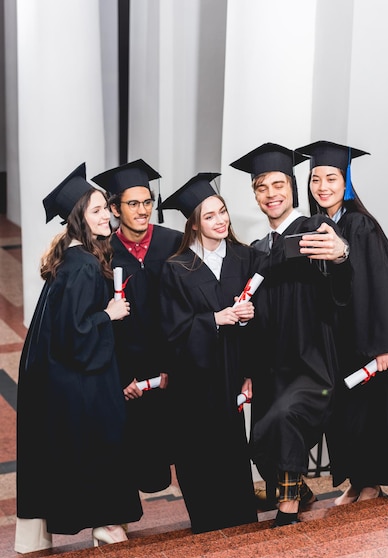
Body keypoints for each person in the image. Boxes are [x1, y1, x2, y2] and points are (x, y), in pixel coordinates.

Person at [15, 163, 143, 553]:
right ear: (79, 219)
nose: (108, 215)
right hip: (80, 380)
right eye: (97, 210)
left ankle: (101, 520)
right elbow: (78, 334)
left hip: (58, 376)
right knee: (101, 441)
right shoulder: (85, 265)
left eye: (106, 208)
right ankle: (103, 523)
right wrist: (110, 314)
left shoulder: (69, 259)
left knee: (80, 448)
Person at [230, 142, 352, 526]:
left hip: (311, 359)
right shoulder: (255, 250)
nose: (271, 194)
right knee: (260, 442)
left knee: (283, 420)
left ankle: (287, 511)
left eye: (278, 184)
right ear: (254, 194)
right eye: (262, 187)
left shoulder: (314, 228)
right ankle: (298, 489)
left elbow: (338, 266)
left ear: (292, 187)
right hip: (271, 365)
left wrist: (341, 252)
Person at [296, 139, 388, 504]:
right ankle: (356, 479)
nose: (323, 187)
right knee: (347, 412)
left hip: (368, 339)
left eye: (331, 178)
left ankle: (370, 483)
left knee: (370, 412)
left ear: (345, 182)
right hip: (340, 341)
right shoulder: (320, 225)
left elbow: (379, 284)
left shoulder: (358, 224)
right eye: (316, 179)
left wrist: (382, 345)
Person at [158, 172, 264, 533]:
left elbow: (263, 317)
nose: (221, 221)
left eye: (222, 211)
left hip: (232, 374)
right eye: (210, 216)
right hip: (195, 383)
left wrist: (250, 318)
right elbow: (171, 332)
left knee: (233, 455)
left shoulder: (245, 257)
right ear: (194, 225)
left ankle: (240, 525)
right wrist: (215, 319)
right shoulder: (177, 268)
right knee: (199, 456)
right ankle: (206, 526)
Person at [91, 160, 183, 493]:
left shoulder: (175, 243)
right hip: (129, 373)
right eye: (133, 203)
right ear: (115, 208)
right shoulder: (103, 253)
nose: (143, 210)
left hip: (174, 368)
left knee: (185, 450)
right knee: (137, 462)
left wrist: (178, 365)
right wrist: (121, 376)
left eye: (147, 202)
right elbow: (100, 322)